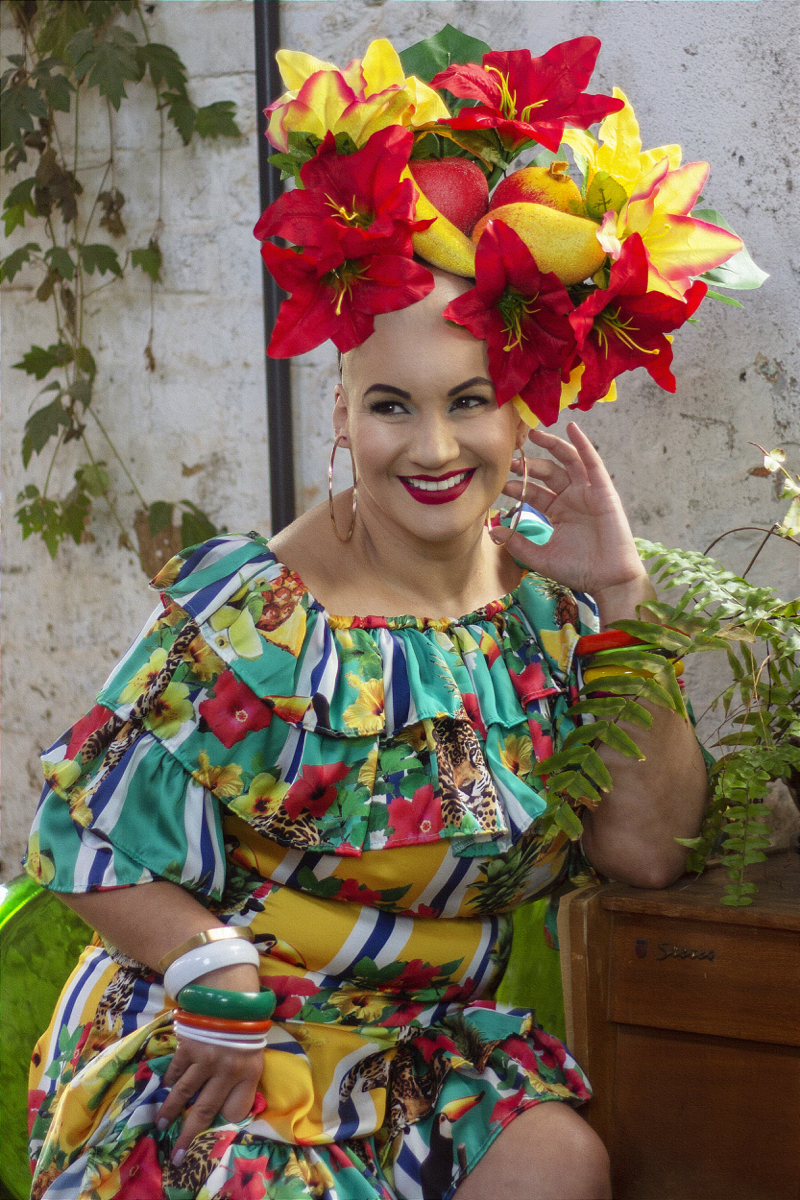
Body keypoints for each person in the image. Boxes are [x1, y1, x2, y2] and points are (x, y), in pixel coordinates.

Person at [25, 29, 746, 1200]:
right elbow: (78, 840)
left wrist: (618, 597)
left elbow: (646, 852)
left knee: (565, 1165)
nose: (432, 446)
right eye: (389, 406)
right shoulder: (259, 621)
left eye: (469, 402)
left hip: (425, 1053)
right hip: (226, 1044)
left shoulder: (544, 629)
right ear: (342, 412)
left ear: (525, 413)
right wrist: (203, 960)